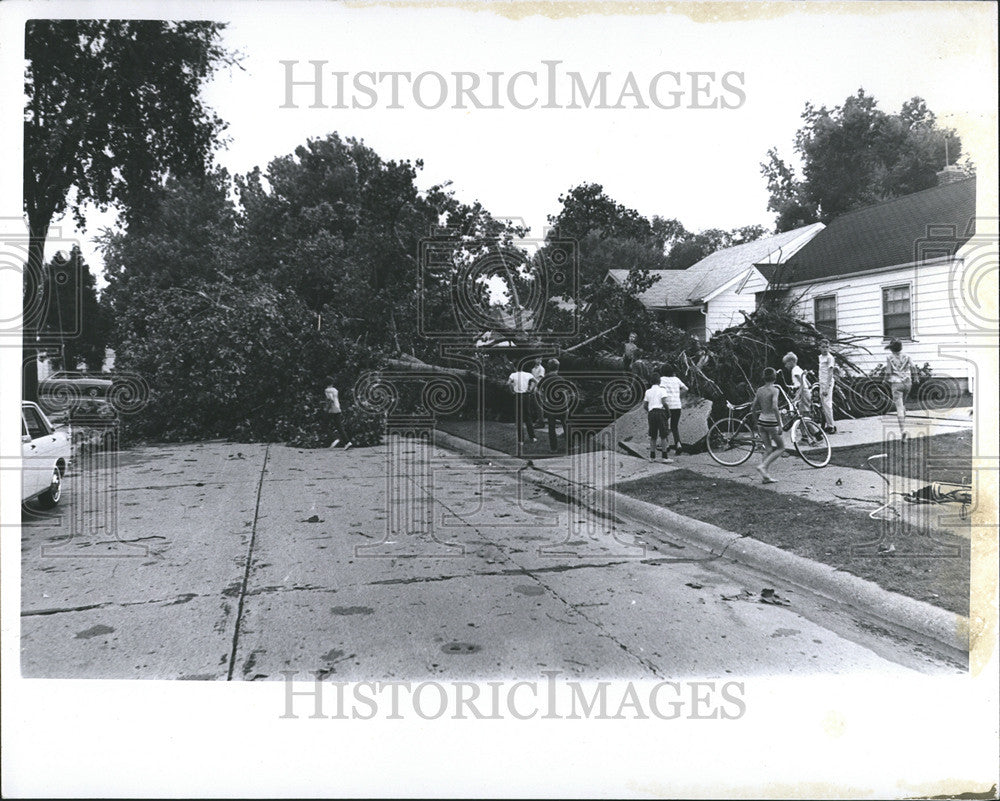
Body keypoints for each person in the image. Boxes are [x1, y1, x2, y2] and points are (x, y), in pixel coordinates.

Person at [752, 367, 784, 483]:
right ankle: (763, 466)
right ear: (775, 377)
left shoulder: (760, 390)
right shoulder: (775, 390)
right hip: (771, 422)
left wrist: (756, 422)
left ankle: (765, 476)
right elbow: (775, 407)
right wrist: (780, 424)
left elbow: (753, 407)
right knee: (781, 447)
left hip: (761, 421)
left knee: (768, 448)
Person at [885, 338, 915, 437]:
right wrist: (916, 377)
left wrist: (885, 380)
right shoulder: (907, 356)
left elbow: (888, 372)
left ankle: (902, 431)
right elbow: (913, 367)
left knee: (899, 407)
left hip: (896, 383)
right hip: (907, 382)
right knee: (903, 405)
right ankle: (904, 426)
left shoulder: (890, 357)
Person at [538, 358, 567, 453]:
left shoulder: (545, 379)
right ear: (558, 368)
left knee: (551, 427)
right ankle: (569, 446)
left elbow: (538, 391)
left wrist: (543, 400)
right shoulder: (560, 379)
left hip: (550, 405)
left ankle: (553, 448)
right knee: (565, 425)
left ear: (548, 367)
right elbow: (564, 393)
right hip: (561, 405)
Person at [659, 363, 688, 456]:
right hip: (677, 405)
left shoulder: (661, 380)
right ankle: (678, 444)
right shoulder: (676, 379)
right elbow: (686, 389)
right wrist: (678, 395)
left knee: (664, 426)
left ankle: (666, 445)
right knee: (674, 426)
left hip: (666, 406)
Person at [507, 363, 537, 448]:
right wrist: (531, 389)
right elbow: (536, 382)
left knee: (519, 418)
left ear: (516, 367)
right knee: (528, 416)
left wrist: (512, 390)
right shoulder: (528, 374)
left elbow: (508, 383)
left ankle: (521, 440)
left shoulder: (513, 374)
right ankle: (533, 437)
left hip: (517, 396)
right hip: (526, 396)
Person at [643, 370, 670, 463]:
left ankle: (652, 457)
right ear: (659, 381)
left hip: (651, 413)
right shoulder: (662, 390)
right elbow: (664, 402)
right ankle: (664, 457)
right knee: (663, 435)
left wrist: (650, 411)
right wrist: (668, 412)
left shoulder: (648, 391)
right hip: (660, 412)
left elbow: (645, 405)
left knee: (653, 436)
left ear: (651, 381)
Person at [780, 352, 810, 437]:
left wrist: (797, 395)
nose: (785, 366)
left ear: (791, 362)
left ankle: (806, 435)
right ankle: (809, 434)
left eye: (786, 364)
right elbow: (806, 382)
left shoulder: (795, 370)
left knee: (800, 415)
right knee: (804, 414)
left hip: (802, 393)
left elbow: (802, 384)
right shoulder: (799, 369)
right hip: (805, 392)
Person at [817, 338, 838, 434]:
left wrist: (826, 386)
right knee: (823, 404)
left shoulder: (830, 358)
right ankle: (828, 424)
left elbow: (830, 373)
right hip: (822, 382)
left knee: (827, 404)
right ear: (819, 348)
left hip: (827, 383)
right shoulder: (820, 357)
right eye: (823, 347)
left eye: (827, 347)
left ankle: (831, 426)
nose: (825, 349)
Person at [324, 379, 352, 450]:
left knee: (325, 425)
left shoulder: (327, 390)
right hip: (338, 408)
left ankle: (334, 438)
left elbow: (330, 400)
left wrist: (327, 409)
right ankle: (347, 442)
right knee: (339, 426)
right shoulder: (335, 390)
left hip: (332, 409)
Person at [530, 357, 546, 426]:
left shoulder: (541, 369)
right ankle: (538, 419)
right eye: (537, 359)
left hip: (539, 388)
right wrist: (531, 388)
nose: (539, 361)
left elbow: (540, 379)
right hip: (534, 388)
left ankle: (541, 421)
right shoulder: (533, 369)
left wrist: (534, 388)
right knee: (536, 405)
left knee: (539, 405)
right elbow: (532, 380)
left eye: (541, 359)